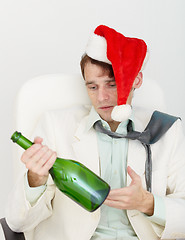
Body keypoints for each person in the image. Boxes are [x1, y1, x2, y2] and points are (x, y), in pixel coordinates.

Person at [5, 25, 185, 240]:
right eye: (93, 87)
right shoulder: (54, 125)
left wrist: (147, 203)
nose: (101, 98)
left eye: (112, 84)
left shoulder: (167, 130)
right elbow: (17, 222)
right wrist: (35, 179)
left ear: (136, 81)